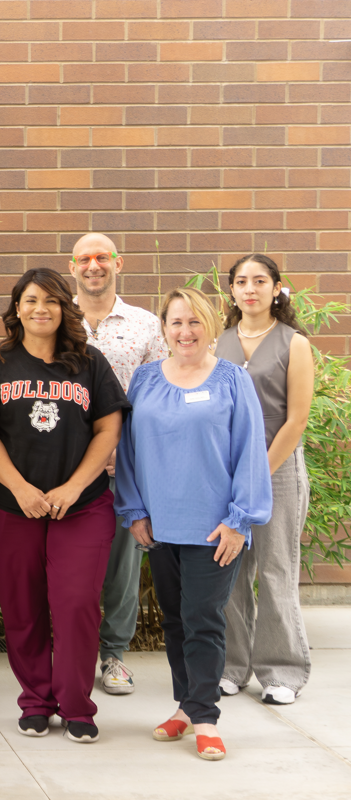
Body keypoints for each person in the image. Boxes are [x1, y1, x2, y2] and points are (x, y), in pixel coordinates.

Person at [0, 267, 129, 744]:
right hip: (8, 505)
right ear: (17, 308)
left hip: (80, 506)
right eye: (31, 299)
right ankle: (36, 701)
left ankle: (77, 705)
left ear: (65, 308)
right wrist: (19, 488)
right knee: (23, 609)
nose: (41, 308)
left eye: (52, 300)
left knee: (77, 603)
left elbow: (108, 429)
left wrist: (74, 487)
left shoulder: (89, 362)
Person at [114, 287, 272, 761]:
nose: (185, 332)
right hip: (161, 526)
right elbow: (127, 452)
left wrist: (239, 521)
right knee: (177, 620)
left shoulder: (231, 380)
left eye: (194, 322)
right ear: (163, 329)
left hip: (214, 528)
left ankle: (204, 717)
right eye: (176, 323)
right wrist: (134, 510)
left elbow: (250, 454)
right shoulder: (143, 380)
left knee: (204, 620)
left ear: (211, 326)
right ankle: (186, 707)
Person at [66, 233, 170, 697]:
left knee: (124, 567)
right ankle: (72, 653)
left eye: (102, 257)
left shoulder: (146, 325)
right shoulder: (53, 320)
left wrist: (128, 448)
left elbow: (160, 396)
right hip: (65, 468)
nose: (93, 265)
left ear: (118, 263)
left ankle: (114, 657)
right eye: (84, 259)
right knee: (71, 566)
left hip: (126, 466)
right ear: (72, 267)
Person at [216, 254, 316, 706]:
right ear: (232, 291)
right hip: (227, 472)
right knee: (229, 570)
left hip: (277, 471)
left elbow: (296, 421)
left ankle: (283, 672)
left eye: (260, 280)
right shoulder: (219, 342)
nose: (250, 288)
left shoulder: (294, 343)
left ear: (277, 288)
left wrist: (258, 472)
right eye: (242, 281)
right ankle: (232, 667)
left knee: (276, 570)